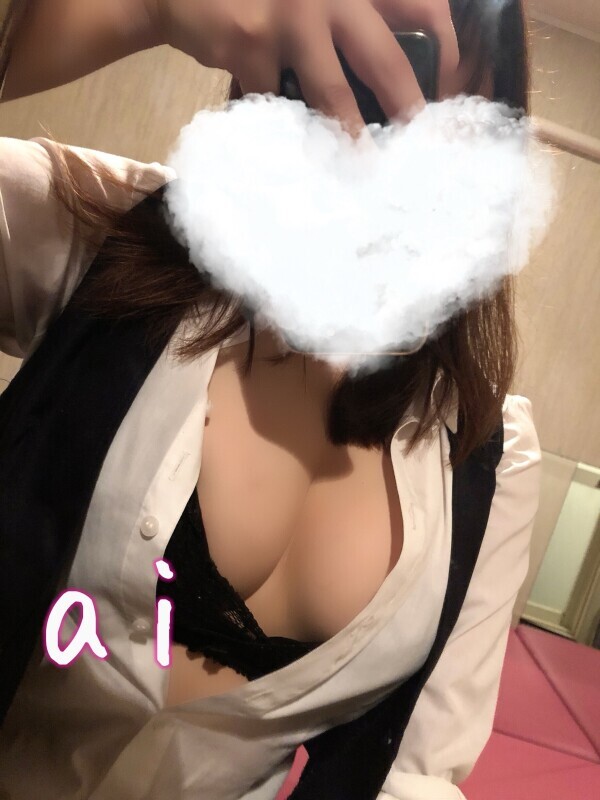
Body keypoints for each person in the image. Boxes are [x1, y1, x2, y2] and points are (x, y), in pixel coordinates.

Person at [0, 1, 541, 798]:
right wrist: (145, 10)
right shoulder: (107, 235)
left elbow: (415, 775)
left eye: (457, 113)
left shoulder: (488, 452)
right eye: (369, 72)